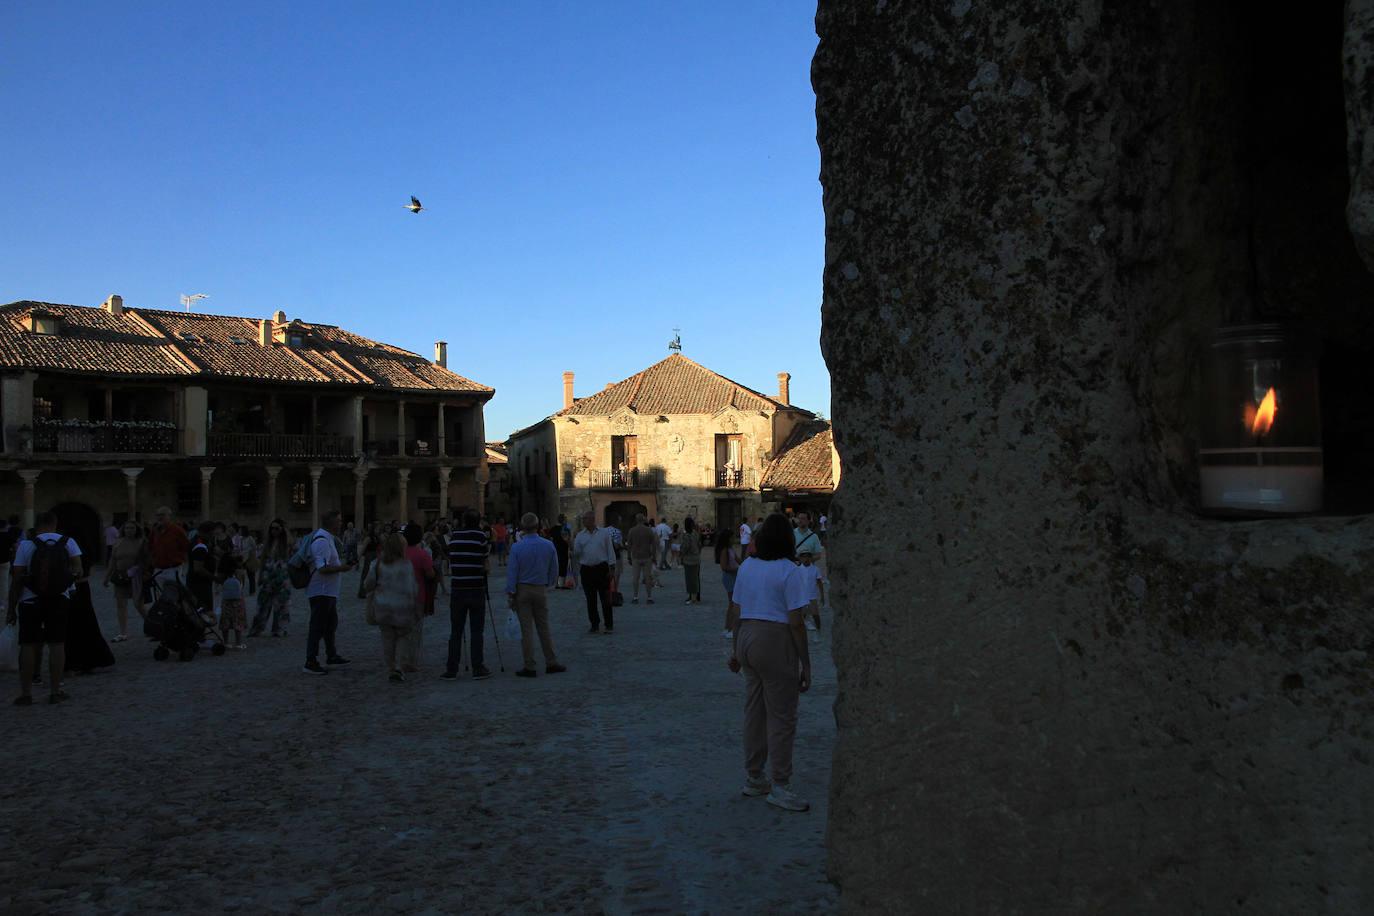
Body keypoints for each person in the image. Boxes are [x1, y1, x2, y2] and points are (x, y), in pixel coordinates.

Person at [725, 513, 813, 812]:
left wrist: (736, 649)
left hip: (748, 636)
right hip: (774, 640)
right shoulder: (790, 570)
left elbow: (735, 609)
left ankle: (754, 776)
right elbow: (797, 622)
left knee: (754, 711)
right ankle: (780, 784)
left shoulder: (748, 566)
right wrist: (806, 664)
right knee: (782, 716)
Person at [9, 511, 83, 705]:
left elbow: (16, 577)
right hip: (59, 599)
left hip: (30, 600)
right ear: (55, 523)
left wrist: (11, 607)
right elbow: (79, 571)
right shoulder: (68, 542)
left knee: (27, 645)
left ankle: (26, 694)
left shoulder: (26, 545)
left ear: (37, 524)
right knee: (57, 644)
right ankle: (55, 691)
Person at [505, 513, 565, 678]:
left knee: (526, 630)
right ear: (538, 526)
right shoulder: (548, 545)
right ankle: (551, 661)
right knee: (543, 627)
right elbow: (555, 568)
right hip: (540, 589)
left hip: (522, 589)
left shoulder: (517, 547)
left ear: (523, 528)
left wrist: (511, 592)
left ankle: (529, 665)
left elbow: (512, 572)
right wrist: (550, 583)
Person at [302, 510, 356, 676]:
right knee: (317, 626)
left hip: (329, 592)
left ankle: (331, 654)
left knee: (331, 624)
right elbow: (322, 568)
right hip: (321, 591)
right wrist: (343, 568)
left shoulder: (328, 538)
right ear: (331, 522)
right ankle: (310, 661)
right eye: (339, 521)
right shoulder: (322, 541)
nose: (341, 523)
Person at [361, 532, 420, 683]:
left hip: (383, 607)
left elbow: (367, 584)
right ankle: (399, 667)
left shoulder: (378, 563)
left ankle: (391, 667)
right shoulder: (406, 565)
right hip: (403, 608)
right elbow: (412, 588)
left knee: (387, 639)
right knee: (402, 638)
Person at [442, 509, 492, 681]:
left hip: (457, 588)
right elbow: (485, 563)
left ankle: (451, 669)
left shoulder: (455, 536)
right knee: (476, 630)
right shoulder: (480, 536)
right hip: (476, 587)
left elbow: (451, 558)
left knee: (456, 631)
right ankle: (477, 667)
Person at [64, 553, 114, 675]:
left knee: (73, 624)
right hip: (80, 582)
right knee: (85, 622)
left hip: (74, 583)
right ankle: (88, 660)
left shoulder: (68, 540)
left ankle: (76, 662)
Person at [572, 510, 617, 634]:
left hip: (601, 569)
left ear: (592, 519)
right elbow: (576, 553)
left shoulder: (604, 533)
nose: (583, 521)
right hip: (587, 570)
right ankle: (594, 624)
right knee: (590, 599)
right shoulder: (580, 535)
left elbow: (610, 551)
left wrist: (612, 568)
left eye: (585, 519)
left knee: (605, 599)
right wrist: (574, 540)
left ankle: (608, 625)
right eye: (583, 519)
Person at [399, 523, 435, 674]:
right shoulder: (422, 554)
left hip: (399, 596)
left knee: (400, 630)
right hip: (417, 596)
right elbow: (430, 574)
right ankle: (410, 662)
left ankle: (400, 659)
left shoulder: (399, 553)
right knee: (414, 631)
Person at [103, 520, 147, 642]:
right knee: (121, 605)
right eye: (127, 528)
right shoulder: (118, 542)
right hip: (120, 577)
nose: (129, 530)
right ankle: (123, 633)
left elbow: (146, 559)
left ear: (137, 529)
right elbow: (112, 561)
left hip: (136, 577)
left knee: (139, 605)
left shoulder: (141, 542)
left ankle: (151, 626)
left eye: (132, 528)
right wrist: (106, 577)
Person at [250, 519, 291, 637]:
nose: (274, 531)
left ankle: (279, 629)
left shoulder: (286, 542)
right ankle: (257, 628)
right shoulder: (268, 543)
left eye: (277, 528)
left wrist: (284, 530)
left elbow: (290, 541)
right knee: (262, 603)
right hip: (268, 576)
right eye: (272, 528)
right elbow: (263, 560)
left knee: (282, 604)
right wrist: (260, 576)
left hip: (282, 577)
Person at [147, 506, 189, 588]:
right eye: (158, 515)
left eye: (162, 515)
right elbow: (150, 547)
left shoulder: (177, 530)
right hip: (158, 569)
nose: (160, 517)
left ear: (169, 516)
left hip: (173, 569)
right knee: (161, 597)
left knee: (173, 595)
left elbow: (186, 547)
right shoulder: (154, 531)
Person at [716, 527, 741, 638]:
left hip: (734, 576)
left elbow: (738, 559)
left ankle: (728, 627)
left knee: (732, 603)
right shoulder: (724, 550)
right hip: (729, 577)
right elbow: (724, 567)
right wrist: (737, 569)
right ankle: (730, 628)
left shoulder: (730, 549)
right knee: (732, 604)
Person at [627, 514, 657, 604]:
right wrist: (654, 556)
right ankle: (649, 597)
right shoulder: (649, 530)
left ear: (636, 520)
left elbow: (629, 544)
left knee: (635, 578)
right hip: (647, 556)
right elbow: (654, 544)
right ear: (644, 520)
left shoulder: (632, 531)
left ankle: (635, 597)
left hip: (636, 557)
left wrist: (628, 556)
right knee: (648, 578)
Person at [219, 554, 247, 649]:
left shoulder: (223, 575)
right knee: (238, 621)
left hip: (226, 601)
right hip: (238, 601)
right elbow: (242, 585)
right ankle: (238, 643)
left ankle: (226, 642)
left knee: (225, 621)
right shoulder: (240, 572)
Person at [794, 512, 826, 588]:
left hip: (808, 572)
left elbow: (818, 555)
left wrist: (806, 560)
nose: (800, 520)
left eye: (803, 518)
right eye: (799, 518)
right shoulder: (791, 534)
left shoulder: (814, 537)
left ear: (808, 521)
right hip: (794, 570)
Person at [797, 550, 825, 637]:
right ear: (800, 558)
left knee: (816, 615)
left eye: (808, 556)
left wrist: (822, 596)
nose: (806, 558)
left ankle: (819, 631)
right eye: (804, 556)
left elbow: (819, 582)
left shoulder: (815, 569)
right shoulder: (797, 570)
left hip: (812, 596)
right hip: (802, 597)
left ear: (811, 558)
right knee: (802, 616)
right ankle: (801, 634)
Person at [680, 517, 702, 605]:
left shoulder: (686, 536)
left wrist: (681, 553)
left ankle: (693, 598)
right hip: (696, 558)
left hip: (689, 560)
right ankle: (696, 596)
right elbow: (699, 545)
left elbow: (685, 547)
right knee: (696, 578)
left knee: (690, 579)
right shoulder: (696, 534)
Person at [240, 526, 259, 595]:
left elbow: (254, 547)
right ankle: (240, 589)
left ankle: (252, 591)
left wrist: (250, 554)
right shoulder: (241, 539)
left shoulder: (250, 538)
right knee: (241, 575)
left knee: (251, 576)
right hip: (243, 558)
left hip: (250, 558)